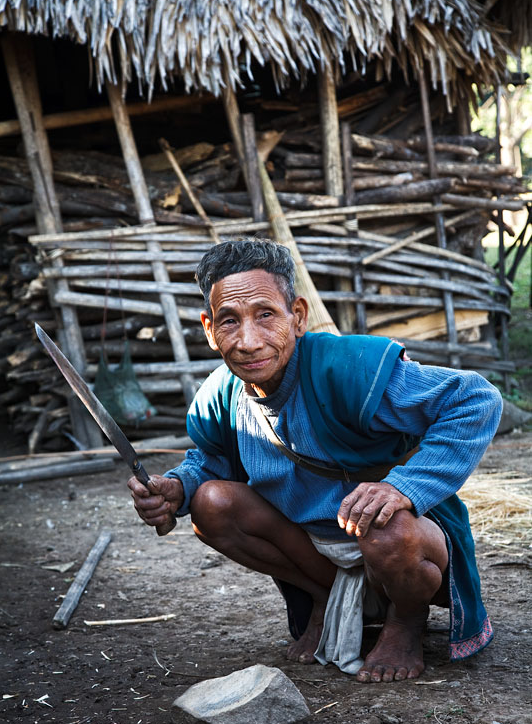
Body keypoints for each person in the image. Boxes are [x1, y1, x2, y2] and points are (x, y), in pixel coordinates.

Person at [128, 239, 502, 683]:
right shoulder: (220, 395)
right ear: (210, 330)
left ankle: (406, 620)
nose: (248, 342)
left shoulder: (346, 369)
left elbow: (475, 399)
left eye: (266, 314)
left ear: (298, 316)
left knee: (386, 527)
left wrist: (404, 487)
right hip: (311, 548)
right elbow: (212, 462)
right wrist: (178, 488)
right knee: (211, 504)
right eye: (230, 321)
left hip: (399, 546)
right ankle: (324, 596)